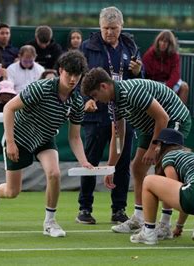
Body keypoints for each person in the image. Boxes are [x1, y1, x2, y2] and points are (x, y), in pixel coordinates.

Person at [0, 50, 93, 237]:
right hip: (19, 137)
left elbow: (74, 137)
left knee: (54, 173)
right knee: (12, 191)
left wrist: (84, 162)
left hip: (45, 139)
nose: (73, 79)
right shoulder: (41, 88)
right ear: (60, 71)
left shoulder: (76, 101)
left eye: (77, 75)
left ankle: (50, 222)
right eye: (69, 74)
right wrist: (10, 142)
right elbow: (9, 108)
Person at [81, 67, 192, 235]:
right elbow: (118, 138)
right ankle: (139, 217)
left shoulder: (131, 92)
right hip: (151, 127)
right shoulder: (113, 104)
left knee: (162, 169)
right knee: (138, 169)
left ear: (104, 86)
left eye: (95, 95)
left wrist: (154, 147)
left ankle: (165, 223)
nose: (96, 100)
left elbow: (163, 117)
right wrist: (111, 168)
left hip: (174, 120)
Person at [77, 6, 143, 225]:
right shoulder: (88, 46)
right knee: (91, 161)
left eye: (113, 28)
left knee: (122, 162)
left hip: (125, 113)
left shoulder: (130, 46)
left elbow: (140, 79)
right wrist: (86, 99)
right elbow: (78, 79)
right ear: (100, 26)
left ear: (121, 27)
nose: (109, 32)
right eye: (105, 28)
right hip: (96, 114)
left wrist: (137, 71)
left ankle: (119, 209)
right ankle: (84, 208)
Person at [129, 128, 194, 246]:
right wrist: (179, 226)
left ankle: (148, 232)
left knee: (148, 180)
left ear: (163, 145)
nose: (155, 148)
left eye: (157, 144)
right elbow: (185, 190)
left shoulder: (169, 156)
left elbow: (172, 186)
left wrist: (158, 195)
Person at [142, 30, 189, 104]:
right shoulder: (150, 53)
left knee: (184, 86)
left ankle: (179, 113)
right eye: (161, 41)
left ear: (170, 44)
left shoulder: (174, 56)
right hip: (153, 83)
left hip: (167, 84)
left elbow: (175, 75)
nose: (163, 44)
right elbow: (144, 71)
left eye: (166, 42)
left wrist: (166, 87)